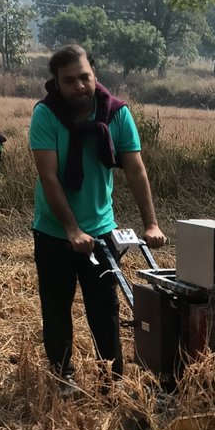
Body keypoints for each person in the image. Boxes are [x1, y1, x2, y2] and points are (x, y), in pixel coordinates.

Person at [30, 43, 165, 390]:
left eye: (84, 77)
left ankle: (112, 380)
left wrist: (150, 223)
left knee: (103, 309)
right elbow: (49, 177)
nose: (79, 86)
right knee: (57, 309)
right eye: (69, 80)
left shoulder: (116, 114)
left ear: (95, 76)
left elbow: (135, 169)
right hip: (54, 232)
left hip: (102, 230)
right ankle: (63, 378)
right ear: (56, 83)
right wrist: (71, 229)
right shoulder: (45, 115)